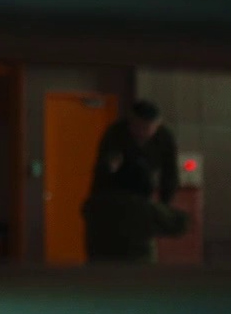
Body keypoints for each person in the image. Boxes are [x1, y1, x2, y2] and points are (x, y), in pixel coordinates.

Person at [81, 99, 189, 263]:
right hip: (114, 190)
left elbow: (170, 176)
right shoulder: (116, 134)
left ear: (157, 125)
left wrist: (164, 203)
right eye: (138, 127)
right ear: (130, 122)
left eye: (148, 128)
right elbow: (103, 170)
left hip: (131, 193)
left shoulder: (164, 138)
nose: (142, 133)